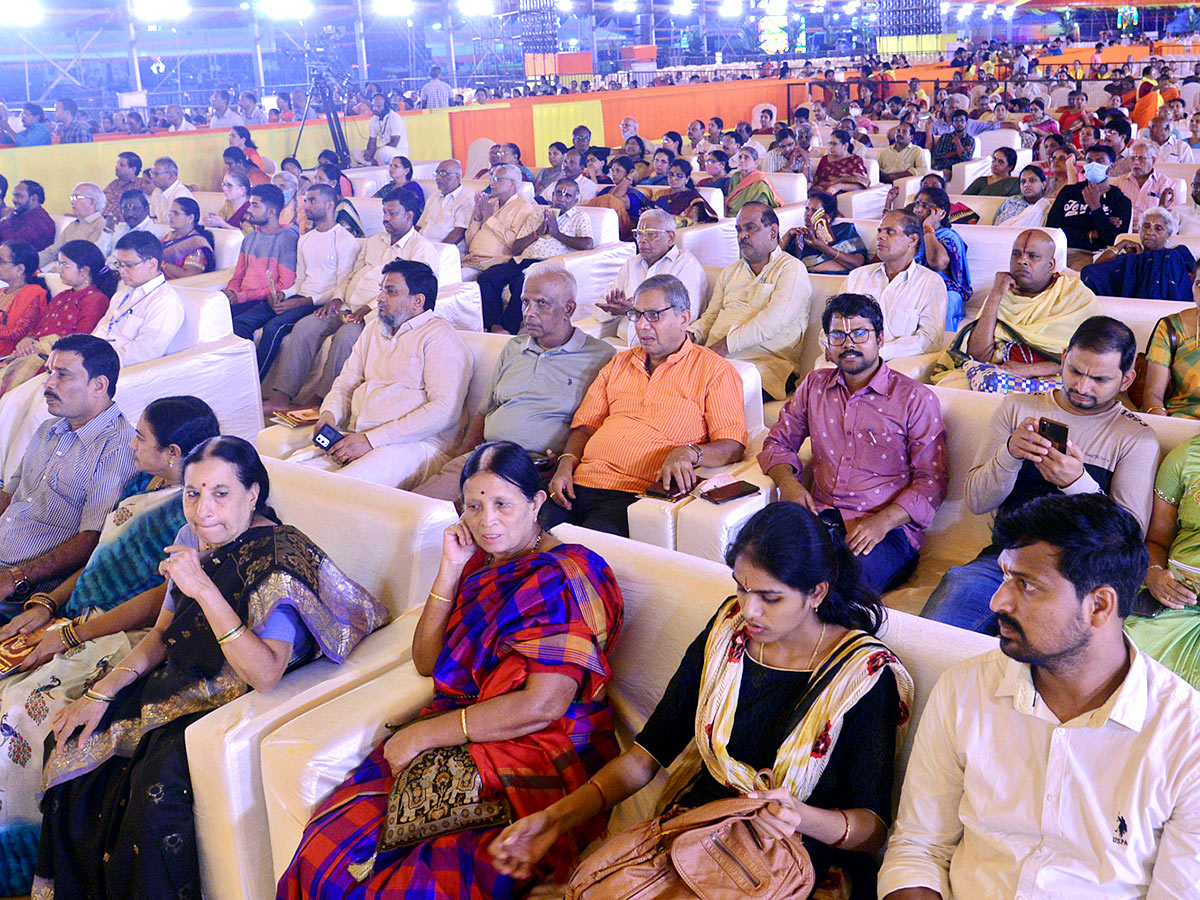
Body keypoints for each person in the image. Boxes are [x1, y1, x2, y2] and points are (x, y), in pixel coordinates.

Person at [493, 500, 914, 899]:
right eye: (741, 588)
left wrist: (799, 816)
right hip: (692, 841)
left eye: (770, 597)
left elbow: (872, 828)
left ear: (817, 593)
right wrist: (555, 819)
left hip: (787, 864)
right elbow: (646, 755)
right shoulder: (728, 631)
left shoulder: (864, 676)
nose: (749, 610)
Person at [35, 434, 387, 900]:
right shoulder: (197, 542)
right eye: (193, 493)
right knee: (69, 739)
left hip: (225, 696)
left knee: (151, 787)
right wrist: (102, 692)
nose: (203, 510)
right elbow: (163, 634)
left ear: (253, 493)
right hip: (179, 676)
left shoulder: (275, 562)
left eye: (221, 493)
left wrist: (202, 587)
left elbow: (264, 673)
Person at [282, 439, 624, 898]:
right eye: (473, 506)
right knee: (325, 853)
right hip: (468, 726)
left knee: (419, 885)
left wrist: (425, 734)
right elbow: (427, 661)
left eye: (502, 504)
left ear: (536, 502)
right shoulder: (484, 562)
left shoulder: (561, 576)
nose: (488, 521)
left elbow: (545, 704)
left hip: (538, 747)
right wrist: (449, 568)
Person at [882, 493, 1200, 900]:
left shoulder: (1183, 736)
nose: (998, 601)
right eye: (1004, 577)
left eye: (1026, 585)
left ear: (1099, 606)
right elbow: (919, 848)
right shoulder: (965, 691)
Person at [0, 396, 219, 893]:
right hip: (77, 617)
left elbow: (155, 601)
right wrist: (46, 604)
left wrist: (72, 634)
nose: (130, 442)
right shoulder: (142, 484)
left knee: (22, 709)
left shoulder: (189, 511)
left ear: (173, 452)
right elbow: (99, 557)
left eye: (140, 437)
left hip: (118, 637)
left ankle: (18, 855)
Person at [922, 317, 1157, 634]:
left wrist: (1076, 484)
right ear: (1063, 358)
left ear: (1126, 379)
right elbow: (977, 501)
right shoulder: (1018, 408)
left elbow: (1129, 539)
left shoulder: (1135, 438)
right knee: (940, 632)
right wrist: (1009, 453)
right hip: (1006, 560)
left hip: (1082, 574)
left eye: (1099, 379)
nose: (1082, 386)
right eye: (1075, 371)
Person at [761, 293, 948, 593]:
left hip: (885, 529)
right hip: (819, 516)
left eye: (860, 333)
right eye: (838, 335)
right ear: (828, 344)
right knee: (761, 565)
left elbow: (932, 482)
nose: (848, 344)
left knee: (839, 589)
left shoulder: (914, 398)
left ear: (880, 338)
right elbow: (777, 443)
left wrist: (882, 522)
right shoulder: (814, 386)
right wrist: (790, 484)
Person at [544, 275, 747, 537]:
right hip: (578, 484)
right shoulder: (619, 363)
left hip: (631, 495)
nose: (641, 326)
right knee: (521, 534)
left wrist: (689, 453)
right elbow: (585, 427)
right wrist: (565, 465)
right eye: (636, 315)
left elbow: (732, 445)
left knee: (574, 554)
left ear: (684, 318)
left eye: (653, 315)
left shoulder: (714, 370)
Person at [417, 266, 615, 501]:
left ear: (569, 309)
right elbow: (485, 410)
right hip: (485, 455)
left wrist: (567, 462)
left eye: (542, 303)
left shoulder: (600, 356)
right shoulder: (513, 347)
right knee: (415, 509)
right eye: (525, 302)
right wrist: (461, 455)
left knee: (468, 515)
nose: (529, 312)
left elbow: (597, 425)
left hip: (533, 466)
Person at [277, 260, 470, 488]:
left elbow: (443, 411)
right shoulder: (373, 330)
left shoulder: (440, 337)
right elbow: (345, 383)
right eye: (381, 289)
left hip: (416, 445)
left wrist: (372, 440)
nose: (379, 298)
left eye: (390, 292)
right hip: (357, 435)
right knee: (289, 477)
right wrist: (329, 414)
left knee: (336, 489)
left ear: (418, 301)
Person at [262, 188, 442, 411]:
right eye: (384, 213)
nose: (386, 218)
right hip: (345, 305)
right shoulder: (375, 241)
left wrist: (368, 308)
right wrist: (337, 299)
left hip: (377, 314)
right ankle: (281, 396)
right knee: (305, 327)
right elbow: (350, 275)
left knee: (346, 337)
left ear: (410, 216)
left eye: (392, 213)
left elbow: (413, 296)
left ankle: (321, 401)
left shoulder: (421, 249)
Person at [0, 335, 137, 622]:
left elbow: (93, 539)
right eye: (50, 372)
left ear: (99, 385)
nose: (48, 384)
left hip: (26, 588)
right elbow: (10, 495)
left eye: (62, 375)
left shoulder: (118, 447)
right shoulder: (49, 429)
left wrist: (17, 577)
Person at [935, 230, 1100, 387]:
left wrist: (1029, 370)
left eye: (1033, 256)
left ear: (1051, 265)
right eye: (1016, 254)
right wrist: (995, 296)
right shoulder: (1002, 291)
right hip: (996, 375)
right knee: (950, 384)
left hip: (1053, 380)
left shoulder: (1076, 295)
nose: (1021, 260)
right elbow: (977, 356)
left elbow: (1091, 361)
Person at [690, 203, 812, 401]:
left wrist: (722, 347)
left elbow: (772, 322)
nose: (742, 236)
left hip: (765, 366)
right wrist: (692, 334)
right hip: (715, 359)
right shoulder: (730, 272)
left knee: (703, 396)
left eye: (751, 228)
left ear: (773, 232)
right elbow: (711, 316)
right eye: (739, 229)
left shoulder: (791, 270)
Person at [248, 184, 360, 381]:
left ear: (329, 205)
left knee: (275, 327)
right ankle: (234, 378)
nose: (306, 205)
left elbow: (342, 286)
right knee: (246, 320)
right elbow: (300, 281)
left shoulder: (345, 240)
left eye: (312, 200)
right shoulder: (305, 239)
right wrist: (285, 294)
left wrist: (302, 301)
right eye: (305, 200)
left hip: (319, 303)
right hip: (299, 298)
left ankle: (252, 384)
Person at [478, 178, 593, 335]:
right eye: (559, 193)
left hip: (546, 265)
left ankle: (508, 331)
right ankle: (494, 326)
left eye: (568, 196)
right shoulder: (537, 213)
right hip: (522, 261)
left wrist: (556, 233)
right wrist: (537, 233)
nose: (561, 199)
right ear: (552, 195)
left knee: (522, 284)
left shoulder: (580, 217)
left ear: (576, 199)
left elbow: (587, 244)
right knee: (487, 277)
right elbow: (516, 248)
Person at [0, 241, 111, 396]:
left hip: (53, 362)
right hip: (35, 354)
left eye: (65, 265)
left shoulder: (95, 300)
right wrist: (29, 338)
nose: (59, 270)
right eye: (59, 264)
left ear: (84, 271)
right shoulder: (62, 296)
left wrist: (41, 348)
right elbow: (40, 327)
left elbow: (81, 340)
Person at [591, 208, 707, 345]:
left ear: (670, 238)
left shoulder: (686, 265)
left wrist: (634, 310)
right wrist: (612, 309)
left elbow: (686, 314)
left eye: (651, 234)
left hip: (660, 348)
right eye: (639, 234)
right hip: (621, 343)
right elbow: (598, 310)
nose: (642, 240)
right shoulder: (631, 264)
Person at [845, 210, 947, 360]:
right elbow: (829, 325)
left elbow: (928, 340)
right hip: (845, 361)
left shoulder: (930, 282)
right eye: (879, 231)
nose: (880, 236)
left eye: (890, 232)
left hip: (893, 366)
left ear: (912, 240)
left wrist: (872, 353)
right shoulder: (857, 276)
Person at [93, 231, 186, 367]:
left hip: (116, 370)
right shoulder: (122, 294)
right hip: (95, 361)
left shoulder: (165, 302)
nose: (121, 271)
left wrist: (94, 364)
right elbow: (102, 329)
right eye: (119, 264)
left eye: (129, 265)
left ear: (152, 265)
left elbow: (144, 352)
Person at [223, 183, 301, 331]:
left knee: (239, 324)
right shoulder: (250, 237)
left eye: (255, 206)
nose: (249, 210)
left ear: (271, 212)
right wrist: (232, 292)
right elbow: (238, 276)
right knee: (213, 316)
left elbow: (284, 285)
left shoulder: (287, 238)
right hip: (245, 299)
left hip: (268, 302)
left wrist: (242, 297)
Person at [1082, 205, 1195, 302]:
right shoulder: (1130, 259)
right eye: (1146, 227)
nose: (1150, 231)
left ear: (1168, 234)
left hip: (1168, 307)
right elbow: (1093, 271)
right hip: (1130, 307)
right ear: (1139, 230)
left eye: (1158, 228)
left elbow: (1192, 280)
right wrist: (1121, 244)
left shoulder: (1177, 253)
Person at [1046, 144, 1134, 269]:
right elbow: (1052, 229)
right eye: (1089, 161)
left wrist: (1096, 207)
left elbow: (1113, 240)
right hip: (1060, 249)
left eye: (1100, 162)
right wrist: (1092, 233)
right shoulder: (1069, 192)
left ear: (1111, 167)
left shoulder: (1120, 201)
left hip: (1095, 255)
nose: (1093, 165)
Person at [461, 165, 542, 278]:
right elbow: (469, 241)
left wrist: (489, 219)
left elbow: (513, 243)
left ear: (512, 184)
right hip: (472, 258)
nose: (492, 183)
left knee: (455, 279)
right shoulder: (490, 204)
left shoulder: (523, 206)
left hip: (495, 261)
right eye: (492, 178)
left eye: (498, 180)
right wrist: (478, 217)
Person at [911, 186, 971, 331]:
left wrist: (928, 228)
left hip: (945, 290)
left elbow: (937, 263)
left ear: (941, 213)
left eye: (925, 206)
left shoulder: (949, 236)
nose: (918, 209)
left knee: (944, 303)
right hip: (917, 286)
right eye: (917, 204)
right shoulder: (912, 235)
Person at [781, 190, 868, 274]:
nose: (808, 213)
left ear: (828, 216)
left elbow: (858, 263)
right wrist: (788, 235)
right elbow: (774, 259)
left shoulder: (844, 230)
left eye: (814, 211)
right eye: (807, 209)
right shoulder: (801, 236)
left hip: (839, 281)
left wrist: (824, 248)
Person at [1111, 139, 1184, 229]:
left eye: (1142, 158)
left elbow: (1172, 218)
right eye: (1132, 158)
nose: (1136, 162)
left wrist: (1161, 209)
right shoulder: (1119, 182)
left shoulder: (1166, 184)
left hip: (1152, 234)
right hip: (1123, 231)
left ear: (1153, 160)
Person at [38, 182, 106, 268]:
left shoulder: (101, 225)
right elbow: (54, 251)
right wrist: (30, 262)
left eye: (77, 197)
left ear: (92, 202)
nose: (72, 201)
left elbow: (88, 259)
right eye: (72, 197)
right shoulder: (73, 225)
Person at [0, 242, 48, 357]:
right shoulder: (2, 291)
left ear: (20, 269)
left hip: (8, 356)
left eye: (1, 261)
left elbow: (18, 331)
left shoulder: (34, 293)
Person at [584, 155, 647, 242]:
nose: (614, 174)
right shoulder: (607, 189)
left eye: (618, 171)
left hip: (624, 235)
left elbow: (615, 198)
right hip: (600, 229)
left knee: (610, 200)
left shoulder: (635, 193)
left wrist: (629, 178)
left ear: (628, 172)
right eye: (612, 170)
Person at [417, 159, 474, 251]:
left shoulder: (467, 198)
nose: (438, 178)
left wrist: (436, 252)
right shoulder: (434, 196)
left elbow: (459, 233)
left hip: (443, 251)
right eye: (437, 173)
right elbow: (419, 226)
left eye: (443, 173)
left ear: (457, 177)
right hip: (421, 247)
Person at [100, 190, 167, 264]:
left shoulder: (153, 233)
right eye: (125, 208)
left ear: (146, 209)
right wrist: (107, 231)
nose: (130, 214)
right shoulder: (119, 228)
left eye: (135, 208)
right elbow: (100, 254)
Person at [159, 198, 216, 280]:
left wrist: (161, 264)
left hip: (178, 287)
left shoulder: (196, 243)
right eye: (171, 212)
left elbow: (189, 277)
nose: (171, 216)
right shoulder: (169, 236)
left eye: (176, 213)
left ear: (191, 218)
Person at [651, 158, 718, 227]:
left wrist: (666, 217)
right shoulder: (660, 194)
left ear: (687, 179)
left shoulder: (692, 197)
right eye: (671, 174)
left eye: (679, 176)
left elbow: (691, 221)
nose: (673, 178)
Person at [354, 92, 409, 166]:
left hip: (397, 153)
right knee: (356, 152)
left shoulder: (395, 118)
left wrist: (376, 151)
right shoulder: (373, 119)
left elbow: (394, 143)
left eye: (378, 106)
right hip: (380, 151)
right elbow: (372, 141)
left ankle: (373, 162)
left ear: (386, 106)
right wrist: (369, 153)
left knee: (384, 151)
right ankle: (374, 162)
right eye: (373, 106)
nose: (375, 109)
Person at [0, 181, 55, 252]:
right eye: (14, 196)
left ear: (34, 198)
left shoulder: (41, 221)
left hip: (19, 261)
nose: (14, 200)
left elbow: (14, 246)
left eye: (19, 196)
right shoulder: (20, 214)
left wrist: (5, 220)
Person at [811, 130, 871, 196]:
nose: (831, 147)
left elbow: (862, 183)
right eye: (830, 143)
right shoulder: (825, 159)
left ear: (845, 145)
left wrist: (839, 186)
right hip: (820, 192)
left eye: (834, 144)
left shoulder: (855, 160)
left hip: (840, 194)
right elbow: (816, 181)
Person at [311, 164, 364, 238]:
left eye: (320, 179)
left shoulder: (343, 206)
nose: (316, 182)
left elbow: (346, 238)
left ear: (333, 183)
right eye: (315, 178)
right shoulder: (314, 203)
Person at [100, 152, 154, 224]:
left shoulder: (141, 184)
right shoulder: (113, 184)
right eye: (117, 164)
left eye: (121, 165)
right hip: (102, 222)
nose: (117, 167)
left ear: (133, 169)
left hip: (122, 225)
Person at [371, 155, 425, 219]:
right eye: (390, 166)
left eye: (396, 166)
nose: (391, 169)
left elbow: (415, 210)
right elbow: (373, 201)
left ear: (406, 171)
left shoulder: (413, 187)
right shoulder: (388, 187)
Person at [147, 157, 194, 228]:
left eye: (156, 174)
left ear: (171, 176)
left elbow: (183, 227)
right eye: (152, 173)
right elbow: (152, 216)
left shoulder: (181, 195)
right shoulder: (157, 191)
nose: (152, 177)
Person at [206, 168, 253, 234]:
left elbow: (247, 234)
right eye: (223, 184)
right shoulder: (228, 203)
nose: (224, 188)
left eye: (229, 185)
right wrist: (213, 222)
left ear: (242, 189)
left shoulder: (251, 207)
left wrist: (223, 224)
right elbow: (221, 221)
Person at [931, 109, 976, 174]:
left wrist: (958, 143)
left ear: (966, 122)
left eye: (962, 120)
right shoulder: (945, 137)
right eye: (956, 121)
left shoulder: (970, 140)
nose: (959, 123)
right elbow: (937, 156)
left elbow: (966, 158)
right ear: (952, 123)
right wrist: (958, 151)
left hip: (955, 169)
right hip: (940, 167)